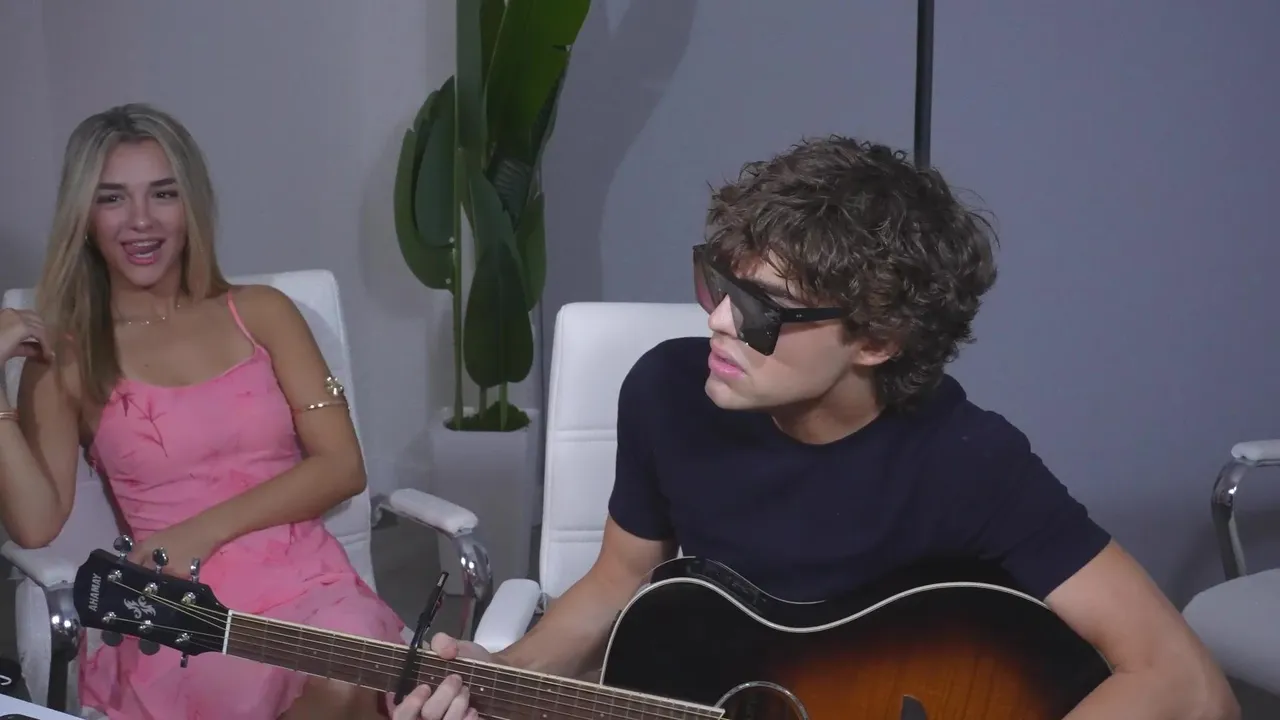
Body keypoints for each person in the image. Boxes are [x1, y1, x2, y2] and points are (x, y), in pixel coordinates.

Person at [391, 136, 1239, 720]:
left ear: (876, 340)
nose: (719, 320)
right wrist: (499, 679)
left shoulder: (969, 459)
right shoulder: (665, 392)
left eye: (762, 310)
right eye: (717, 282)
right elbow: (617, 583)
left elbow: (1185, 681)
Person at [0, 103, 405, 719]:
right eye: (112, 198)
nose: (141, 220)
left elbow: (342, 467)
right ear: (84, 216)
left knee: (347, 675)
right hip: (183, 609)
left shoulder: (263, 312)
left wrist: (202, 530)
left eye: (163, 194)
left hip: (310, 582)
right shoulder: (69, 354)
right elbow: (34, 525)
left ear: (191, 205)